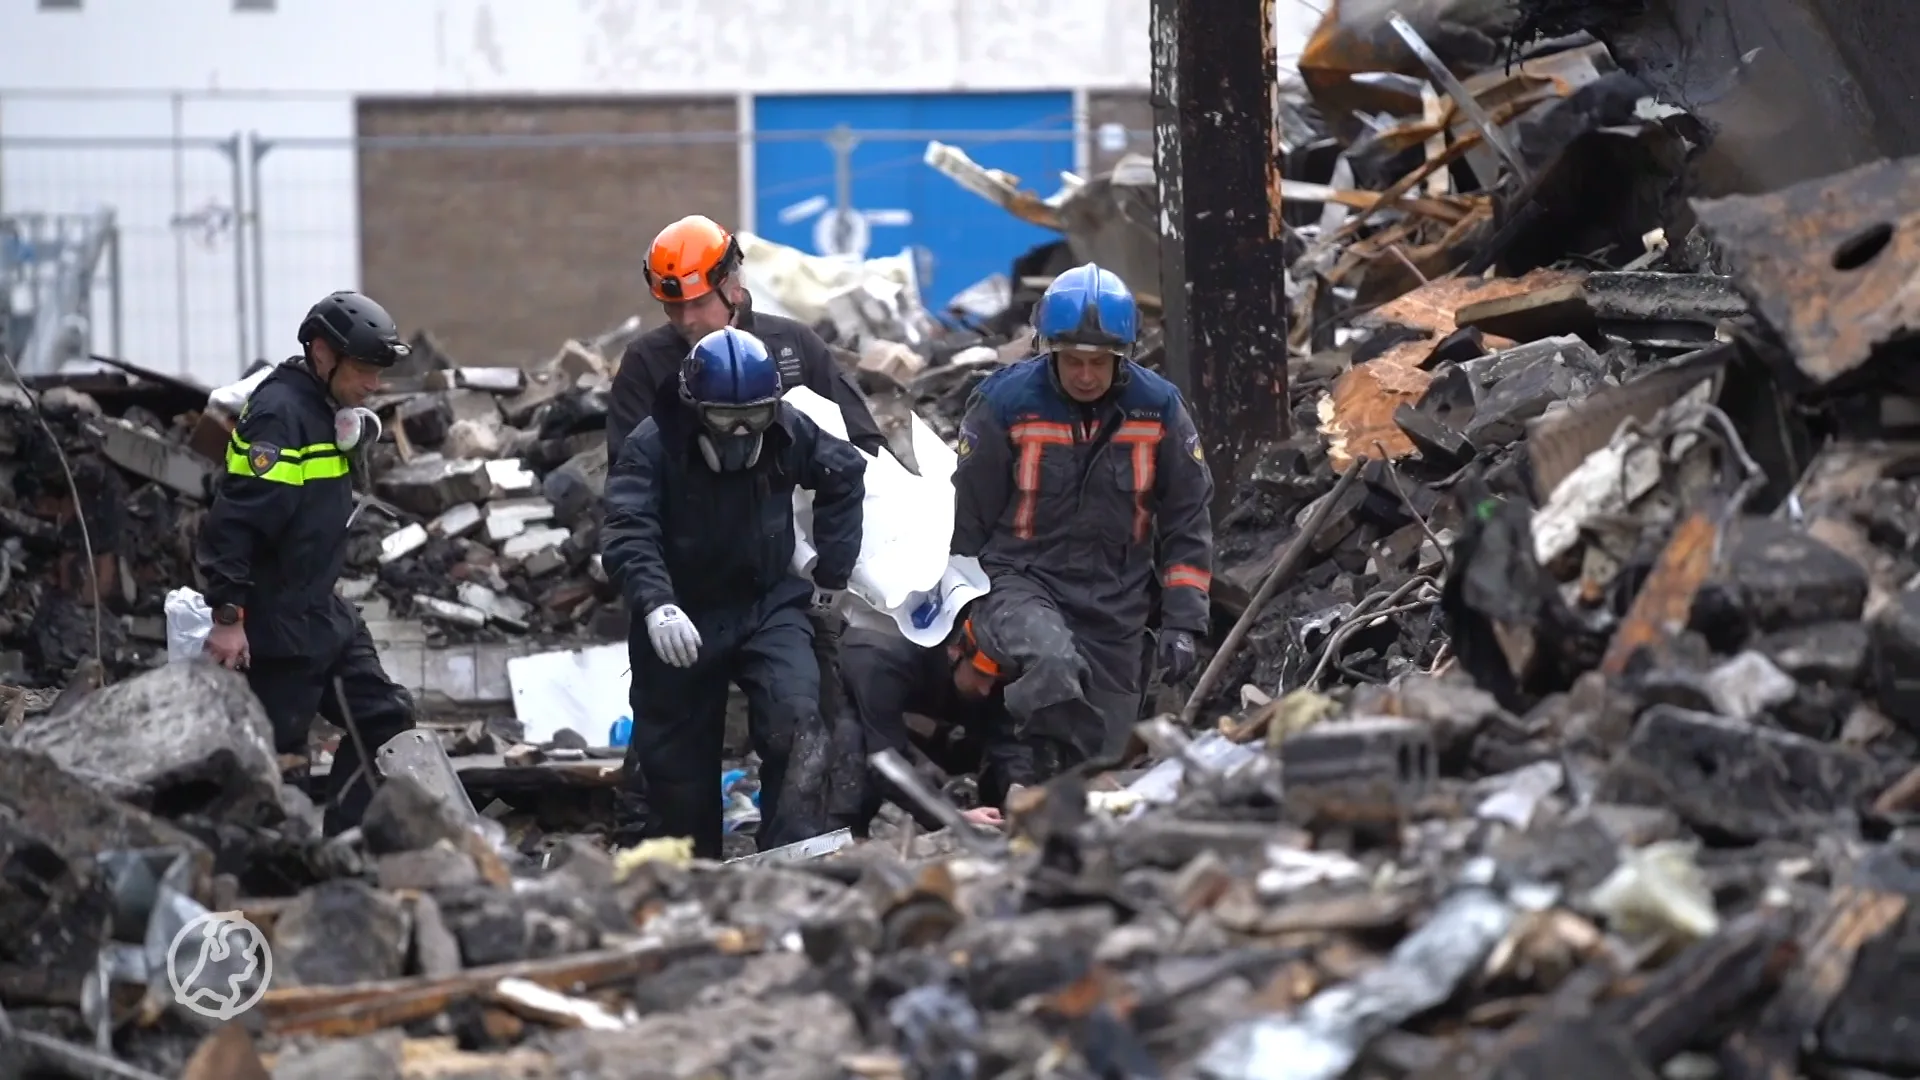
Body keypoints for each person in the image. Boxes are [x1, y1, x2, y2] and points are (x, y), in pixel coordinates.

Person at [601, 325, 867, 857]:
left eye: (756, 417)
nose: (743, 433)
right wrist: (656, 604)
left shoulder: (788, 430)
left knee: (798, 718)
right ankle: (688, 874)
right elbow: (629, 529)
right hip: (683, 613)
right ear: (696, 408)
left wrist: (832, 577)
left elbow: (845, 473)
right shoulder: (651, 448)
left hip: (766, 604)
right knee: (676, 763)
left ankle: (794, 858)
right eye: (727, 419)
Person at [950, 263, 1215, 766]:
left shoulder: (1158, 409)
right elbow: (968, 519)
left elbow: (1188, 521)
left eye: (1101, 361)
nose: (1087, 375)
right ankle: (1022, 768)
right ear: (1049, 349)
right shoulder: (1005, 404)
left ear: (1125, 355)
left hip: (1116, 600)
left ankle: (1056, 809)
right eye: (1073, 360)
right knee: (1052, 664)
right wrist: (961, 610)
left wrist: (1183, 622)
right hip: (1021, 579)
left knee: (1107, 757)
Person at [196, 290, 417, 835]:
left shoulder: (327, 411)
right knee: (282, 767)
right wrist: (228, 617)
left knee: (386, 720)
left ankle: (345, 846)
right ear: (322, 352)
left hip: (322, 611)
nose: (374, 385)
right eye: (364, 369)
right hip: (277, 622)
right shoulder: (278, 417)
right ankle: (278, 880)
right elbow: (235, 522)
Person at [606, 214, 888, 457]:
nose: (686, 319)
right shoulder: (643, 363)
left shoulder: (796, 345)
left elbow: (865, 446)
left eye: (700, 303)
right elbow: (628, 475)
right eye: (675, 307)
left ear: (735, 287)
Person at [837, 617, 1025, 836]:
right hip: (849, 700)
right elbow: (885, 762)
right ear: (955, 652)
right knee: (851, 753)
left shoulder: (982, 661)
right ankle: (838, 839)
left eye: (993, 680)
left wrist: (1018, 786)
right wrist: (954, 818)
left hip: (918, 699)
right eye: (981, 676)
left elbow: (1006, 732)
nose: (985, 689)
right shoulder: (881, 660)